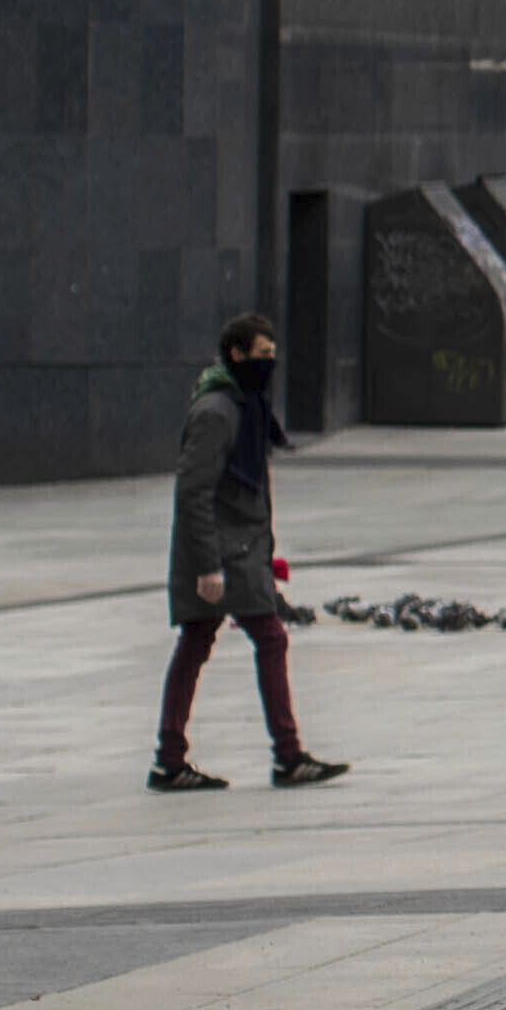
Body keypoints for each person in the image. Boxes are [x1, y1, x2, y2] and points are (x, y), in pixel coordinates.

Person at [155, 314, 345, 792]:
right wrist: (207, 566)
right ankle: (285, 756)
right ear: (237, 355)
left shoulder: (247, 405)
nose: (271, 362)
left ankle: (171, 760)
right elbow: (193, 492)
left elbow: (249, 493)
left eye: (274, 353)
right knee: (265, 639)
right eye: (263, 354)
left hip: (240, 551)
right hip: (221, 556)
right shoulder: (218, 412)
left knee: (199, 644)